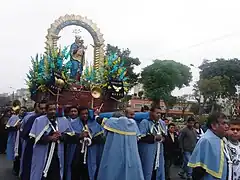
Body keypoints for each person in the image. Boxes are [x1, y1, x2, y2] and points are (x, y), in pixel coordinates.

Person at [29, 102, 74, 180]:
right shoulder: (39, 121)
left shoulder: (63, 120)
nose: (53, 111)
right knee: (40, 175)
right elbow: (33, 138)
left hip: (57, 155)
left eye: (54, 109)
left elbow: (71, 136)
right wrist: (49, 138)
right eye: (50, 109)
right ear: (46, 111)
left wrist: (61, 136)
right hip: (42, 154)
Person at [97, 115, 144, 180]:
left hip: (114, 154)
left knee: (112, 172)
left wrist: (95, 115)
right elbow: (138, 137)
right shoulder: (133, 124)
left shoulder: (112, 123)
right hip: (131, 156)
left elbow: (100, 120)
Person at [66, 106, 104, 180]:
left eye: (86, 113)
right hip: (77, 153)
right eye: (82, 114)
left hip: (90, 152)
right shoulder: (73, 124)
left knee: (88, 172)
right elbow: (69, 137)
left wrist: (91, 140)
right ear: (79, 115)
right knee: (75, 171)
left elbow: (101, 137)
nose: (85, 115)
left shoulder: (95, 123)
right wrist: (80, 136)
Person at [188, 112, 229, 180]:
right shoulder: (206, 140)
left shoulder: (221, 139)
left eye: (227, 123)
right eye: (223, 123)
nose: (227, 126)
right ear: (214, 126)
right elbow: (198, 169)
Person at [20, 100, 47, 180]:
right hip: (32, 149)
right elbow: (25, 134)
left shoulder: (53, 120)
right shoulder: (32, 119)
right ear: (37, 108)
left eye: (45, 108)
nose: (43, 111)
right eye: (41, 108)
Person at [138, 106, 166, 180]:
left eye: (160, 113)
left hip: (159, 150)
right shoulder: (145, 122)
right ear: (151, 113)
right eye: (157, 113)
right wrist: (155, 138)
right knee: (147, 169)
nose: (159, 115)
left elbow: (165, 135)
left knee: (159, 169)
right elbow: (140, 137)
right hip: (148, 150)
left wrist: (163, 138)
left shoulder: (162, 123)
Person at [6, 106, 27, 176]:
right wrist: (15, 127)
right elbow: (7, 128)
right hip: (14, 139)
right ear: (19, 110)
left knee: (21, 154)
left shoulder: (26, 119)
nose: (23, 112)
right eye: (22, 110)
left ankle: (20, 169)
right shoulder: (14, 117)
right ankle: (15, 169)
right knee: (15, 154)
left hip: (22, 139)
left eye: (24, 111)